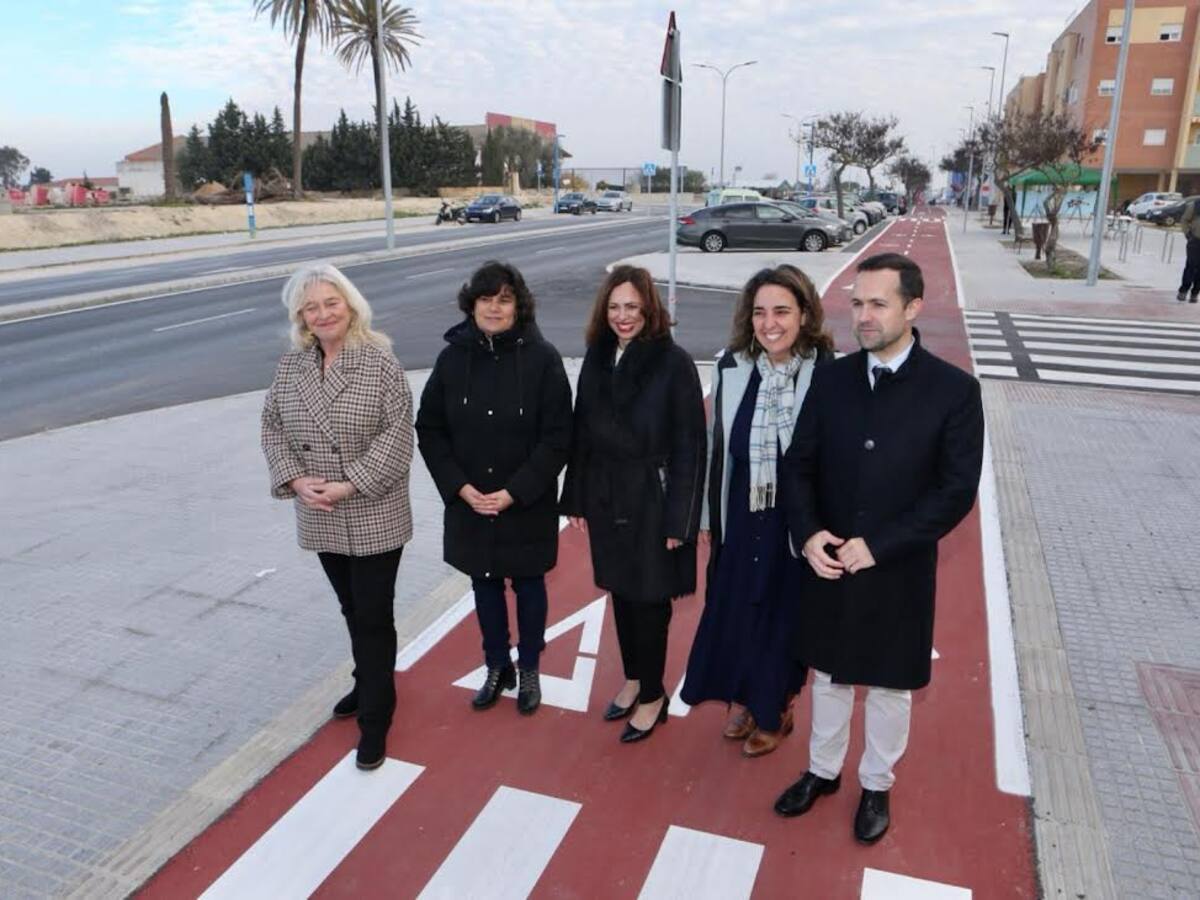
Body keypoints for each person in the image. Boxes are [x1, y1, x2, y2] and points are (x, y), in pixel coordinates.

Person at [774, 252, 984, 843]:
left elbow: (954, 492)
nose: (862, 316)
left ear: (913, 308)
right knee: (831, 676)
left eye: (877, 304)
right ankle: (822, 772)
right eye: (857, 303)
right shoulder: (832, 377)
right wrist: (809, 532)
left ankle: (876, 784)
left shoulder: (955, 392)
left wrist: (882, 545)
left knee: (890, 685)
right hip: (830, 559)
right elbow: (799, 466)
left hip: (898, 568)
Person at [261, 263, 414, 771]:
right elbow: (272, 426)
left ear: (350, 305)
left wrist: (350, 482)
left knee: (373, 615)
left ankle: (376, 715)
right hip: (320, 512)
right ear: (300, 317)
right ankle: (368, 680)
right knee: (351, 608)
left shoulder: (380, 361)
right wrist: (296, 480)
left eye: (331, 303)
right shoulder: (291, 366)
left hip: (372, 510)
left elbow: (399, 436)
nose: (323, 313)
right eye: (312, 307)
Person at [681, 266, 834, 758]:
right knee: (737, 612)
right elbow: (715, 442)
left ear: (805, 314)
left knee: (781, 617)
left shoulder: (830, 373)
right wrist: (707, 517)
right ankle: (746, 699)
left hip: (796, 521)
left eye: (782, 311)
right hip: (741, 511)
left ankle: (775, 708)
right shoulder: (733, 366)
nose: (770, 323)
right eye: (760, 312)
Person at [416, 261, 572, 716]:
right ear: (472, 304)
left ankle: (528, 670)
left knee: (528, 586)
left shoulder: (543, 360)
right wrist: (460, 487)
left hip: (525, 502)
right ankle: (496, 665)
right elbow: (430, 428)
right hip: (471, 503)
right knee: (483, 586)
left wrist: (516, 491)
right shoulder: (451, 359)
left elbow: (558, 436)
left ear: (518, 306)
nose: (494, 308)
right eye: (486, 299)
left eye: (504, 299)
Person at [560, 265, 706, 743]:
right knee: (621, 592)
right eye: (615, 307)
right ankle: (633, 677)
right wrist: (576, 495)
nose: (623, 317)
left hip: (654, 496)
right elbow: (580, 430)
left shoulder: (674, 362)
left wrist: (680, 519)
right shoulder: (598, 357)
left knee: (650, 599)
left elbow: (691, 447)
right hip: (606, 494)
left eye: (633, 308)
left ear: (650, 310)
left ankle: (652, 695)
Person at [1178, 198, 1200, 302]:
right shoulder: (1195, 204)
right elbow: (1184, 220)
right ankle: (1183, 291)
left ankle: (1195, 293)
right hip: (1195, 240)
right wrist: (1188, 234)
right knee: (1191, 266)